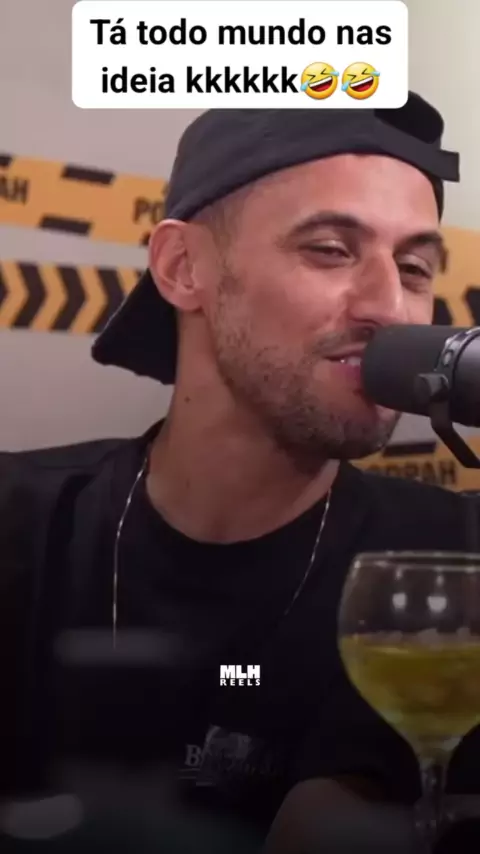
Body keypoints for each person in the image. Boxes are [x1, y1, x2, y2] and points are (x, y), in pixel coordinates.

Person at [1, 95, 479, 853]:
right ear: (182, 267)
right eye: (331, 249)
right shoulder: (21, 526)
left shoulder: (456, 560)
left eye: (415, 267)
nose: (390, 306)